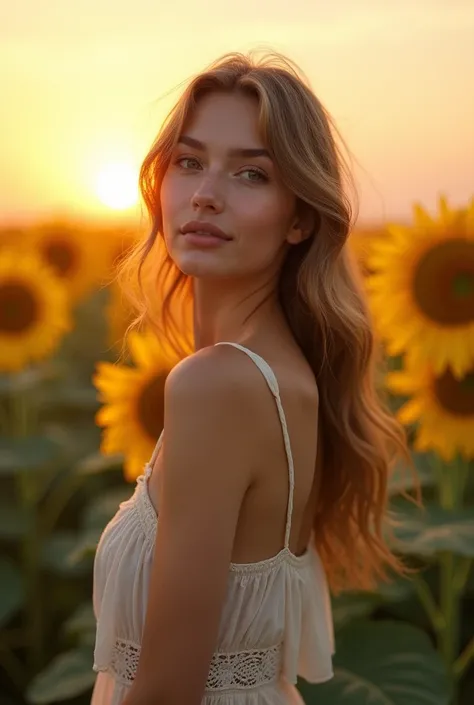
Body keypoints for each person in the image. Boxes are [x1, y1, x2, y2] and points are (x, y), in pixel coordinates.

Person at [91, 51, 408, 705]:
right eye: (189, 160)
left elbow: (167, 691)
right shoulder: (281, 372)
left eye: (251, 173)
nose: (206, 192)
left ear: (299, 218)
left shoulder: (218, 384)